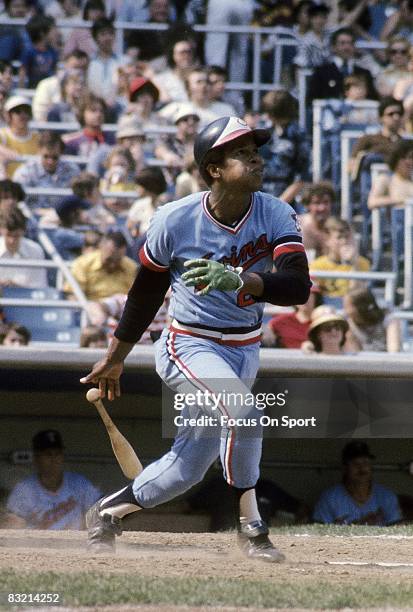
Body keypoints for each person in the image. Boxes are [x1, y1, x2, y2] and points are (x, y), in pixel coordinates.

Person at [80, 116, 311, 561]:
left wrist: (244, 280)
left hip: (244, 348)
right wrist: (115, 357)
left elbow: (298, 286)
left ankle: (109, 512)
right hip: (189, 343)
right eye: (241, 153)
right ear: (214, 169)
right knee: (244, 415)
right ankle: (252, 526)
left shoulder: (276, 211)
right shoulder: (174, 219)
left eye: (255, 150)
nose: (256, 158)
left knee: (187, 467)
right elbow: (144, 293)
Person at [4, 430, 101, 529]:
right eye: (48, 454)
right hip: (35, 543)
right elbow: (13, 526)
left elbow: (100, 512)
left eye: (57, 454)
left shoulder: (80, 483)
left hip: (74, 542)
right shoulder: (24, 490)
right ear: (36, 458)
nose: (54, 459)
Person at [313, 441, 402, 525]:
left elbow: (397, 531)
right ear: (345, 468)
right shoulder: (330, 498)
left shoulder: (386, 496)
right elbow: (319, 535)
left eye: (365, 462)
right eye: (355, 464)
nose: (361, 468)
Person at [260, 89, 311, 208]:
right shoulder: (261, 129)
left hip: (284, 198)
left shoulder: (297, 135)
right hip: (257, 195)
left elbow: (302, 176)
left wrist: (278, 205)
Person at [13, 131, 80, 210]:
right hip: (33, 217)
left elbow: (79, 197)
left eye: (55, 157)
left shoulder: (72, 170)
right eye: (46, 156)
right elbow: (19, 202)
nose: (50, 161)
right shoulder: (25, 172)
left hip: (64, 216)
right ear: (39, 151)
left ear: (61, 152)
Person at [307, 27, 377, 104]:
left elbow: (373, 100)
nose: (346, 47)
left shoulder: (364, 73)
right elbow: (312, 100)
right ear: (333, 47)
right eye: (342, 43)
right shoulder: (321, 72)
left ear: (355, 47)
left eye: (350, 43)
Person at [309, 217, 370, 302]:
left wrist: (354, 264)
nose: (344, 241)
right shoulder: (316, 266)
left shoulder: (362, 263)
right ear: (327, 240)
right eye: (339, 237)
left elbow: (357, 299)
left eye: (347, 237)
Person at [68, 230, 137, 301]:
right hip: (91, 308)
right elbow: (73, 295)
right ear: (101, 247)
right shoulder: (82, 264)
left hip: (122, 308)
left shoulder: (131, 267)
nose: (112, 265)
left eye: (118, 260)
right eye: (109, 260)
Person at [32, 49, 89, 121]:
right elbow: (39, 115)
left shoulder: (88, 87)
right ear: (65, 65)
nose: (79, 71)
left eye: (83, 68)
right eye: (75, 67)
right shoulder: (46, 84)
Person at [0, 208, 47, 288]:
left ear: (23, 231)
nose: (12, 241)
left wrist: (17, 287)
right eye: (8, 235)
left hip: (25, 298)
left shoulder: (35, 250)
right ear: (1, 230)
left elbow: (40, 287)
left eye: (16, 235)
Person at [343, 288, 401, 353]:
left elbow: (394, 351)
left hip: (388, 360)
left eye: (347, 306)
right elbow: (355, 353)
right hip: (362, 361)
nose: (346, 311)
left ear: (361, 307)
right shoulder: (348, 325)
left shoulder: (389, 320)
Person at [0, 96, 39, 179]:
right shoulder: (2, 135)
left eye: (26, 111)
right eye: (17, 111)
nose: (23, 115)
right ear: (8, 115)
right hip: (7, 187)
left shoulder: (37, 138)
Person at [299, 181, 335, 260]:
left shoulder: (338, 227)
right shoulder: (296, 226)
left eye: (326, 202)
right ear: (307, 205)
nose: (322, 208)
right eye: (317, 203)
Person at [20, 15, 58, 88]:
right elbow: (22, 73)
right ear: (42, 33)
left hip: (49, 88)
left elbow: (55, 71)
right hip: (33, 88)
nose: (56, 32)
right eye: (53, 30)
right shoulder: (29, 51)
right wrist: (22, 90)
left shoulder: (52, 51)